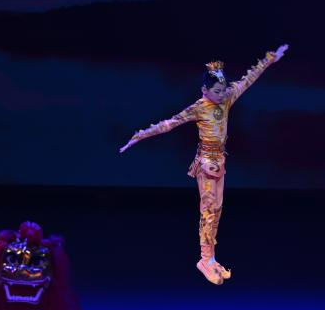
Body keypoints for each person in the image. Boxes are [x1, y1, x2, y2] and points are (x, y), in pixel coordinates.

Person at [120, 44, 288, 284]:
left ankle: (211, 258)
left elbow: (249, 79)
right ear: (204, 90)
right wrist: (139, 136)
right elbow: (170, 123)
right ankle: (204, 259)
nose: (222, 94)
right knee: (208, 211)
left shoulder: (227, 98)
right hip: (207, 163)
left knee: (217, 210)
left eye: (224, 89)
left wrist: (270, 59)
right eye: (217, 91)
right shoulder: (199, 107)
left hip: (220, 161)